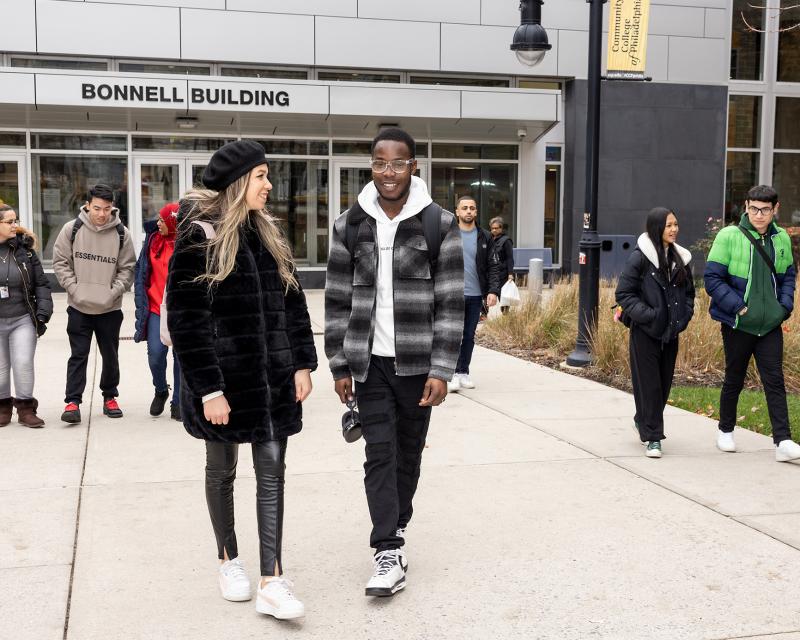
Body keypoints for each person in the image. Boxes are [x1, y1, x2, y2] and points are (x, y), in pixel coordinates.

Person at [166, 140, 317, 620]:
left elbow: (293, 303)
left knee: (272, 470)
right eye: (261, 177)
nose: (269, 185)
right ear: (238, 183)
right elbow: (187, 320)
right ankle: (228, 559)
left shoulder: (270, 235)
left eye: (268, 176)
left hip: (272, 382)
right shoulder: (199, 238)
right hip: (224, 386)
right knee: (223, 469)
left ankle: (273, 579)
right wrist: (208, 389)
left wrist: (300, 364)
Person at [325, 127, 464, 598]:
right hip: (369, 364)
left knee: (409, 452)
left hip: (416, 364)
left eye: (398, 163)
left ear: (413, 167)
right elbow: (336, 300)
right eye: (381, 162)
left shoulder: (437, 223)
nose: (389, 172)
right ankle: (386, 547)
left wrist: (442, 369)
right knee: (379, 452)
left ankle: (397, 524)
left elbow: (449, 303)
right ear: (371, 165)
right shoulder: (349, 224)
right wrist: (339, 364)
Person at [704, 184, 800, 462]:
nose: (759, 215)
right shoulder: (729, 236)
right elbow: (712, 279)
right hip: (738, 322)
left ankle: (782, 441)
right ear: (746, 206)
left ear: (775, 209)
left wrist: (783, 308)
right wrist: (739, 307)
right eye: (754, 208)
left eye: (765, 210)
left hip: (769, 324)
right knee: (734, 376)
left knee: (775, 380)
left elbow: (787, 277)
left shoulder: (780, 238)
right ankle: (725, 430)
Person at [52, 184, 136, 423]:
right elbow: (60, 263)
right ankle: (72, 402)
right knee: (78, 355)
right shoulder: (72, 229)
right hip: (79, 306)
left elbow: (127, 268)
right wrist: (74, 289)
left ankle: (110, 396)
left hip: (110, 308)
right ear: (87, 205)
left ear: (113, 207)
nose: (102, 214)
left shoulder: (122, 233)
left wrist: (114, 292)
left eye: (107, 209)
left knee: (110, 355)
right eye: (97, 208)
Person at [615, 208, 695, 458]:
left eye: (676, 225)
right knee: (649, 386)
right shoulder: (640, 258)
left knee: (663, 385)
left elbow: (690, 294)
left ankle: (643, 420)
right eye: (669, 225)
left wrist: (683, 317)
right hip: (645, 333)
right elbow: (624, 294)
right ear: (656, 227)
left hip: (671, 333)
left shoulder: (681, 258)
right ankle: (653, 438)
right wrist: (650, 316)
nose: (674, 229)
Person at [0, 205, 52, 427]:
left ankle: (26, 408)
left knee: (22, 362)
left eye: (15, 220)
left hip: (22, 317)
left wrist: (43, 312)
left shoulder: (25, 251)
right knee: (1, 369)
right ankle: (2, 408)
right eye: (9, 222)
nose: (15, 225)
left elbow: (41, 283)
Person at [133, 202, 182, 421]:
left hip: (180, 309)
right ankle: (161, 389)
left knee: (181, 358)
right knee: (155, 354)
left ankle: (178, 402)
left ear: (174, 222)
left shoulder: (186, 245)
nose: (158, 223)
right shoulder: (152, 240)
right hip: (155, 307)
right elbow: (141, 270)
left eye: (163, 220)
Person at [447, 197, 500, 393]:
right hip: (452, 295)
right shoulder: (449, 234)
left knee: (468, 336)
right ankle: (450, 374)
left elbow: (494, 266)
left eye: (472, 208)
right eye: (465, 208)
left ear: (476, 212)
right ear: (457, 212)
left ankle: (463, 372)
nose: (468, 211)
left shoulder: (484, 237)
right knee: (452, 336)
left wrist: (493, 291)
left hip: (475, 295)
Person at [490, 216, 515, 314]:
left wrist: (510, 273)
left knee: (503, 297)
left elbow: (510, 258)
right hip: (492, 272)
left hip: (503, 273)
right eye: (492, 228)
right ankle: (484, 314)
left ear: (501, 228)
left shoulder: (506, 241)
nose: (494, 230)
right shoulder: (490, 239)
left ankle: (506, 316)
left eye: (496, 228)